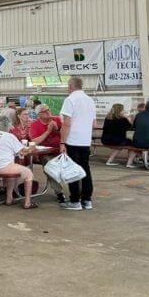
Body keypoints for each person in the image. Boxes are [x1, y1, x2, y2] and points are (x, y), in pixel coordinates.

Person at [59, 77, 96, 211]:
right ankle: (87, 200)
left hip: (72, 140)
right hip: (85, 141)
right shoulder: (90, 100)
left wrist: (62, 142)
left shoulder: (70, 100)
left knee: (72, 170)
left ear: (70, 86)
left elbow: (67, 123)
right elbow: (94, 124)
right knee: (85, 169)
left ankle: (75, 200)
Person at [0, 115, 37, 209]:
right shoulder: (10, 136)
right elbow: (23, 152)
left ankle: (9, 198)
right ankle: (27, 203)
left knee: (12, 170)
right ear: (9, 125)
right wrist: (31, 149)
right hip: (2, 167)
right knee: (28, 173)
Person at [29, 104, 66, 204]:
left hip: (61, 150)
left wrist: (57, 130)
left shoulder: (57, 120)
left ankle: (79, 193)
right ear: (39, 115)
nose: (48, 112)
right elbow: (35, 141)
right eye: (45, 111)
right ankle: (59, 192)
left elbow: (67, 135)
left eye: (48, 110)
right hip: (45, 153)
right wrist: (48, 131)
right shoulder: (34, 125)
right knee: (49, 165)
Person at [126, 99, 149, 168]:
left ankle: (129, 163)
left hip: (137, 142)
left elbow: (134, 127)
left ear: (146, 107)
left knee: (134, 147)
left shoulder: (138, 115)